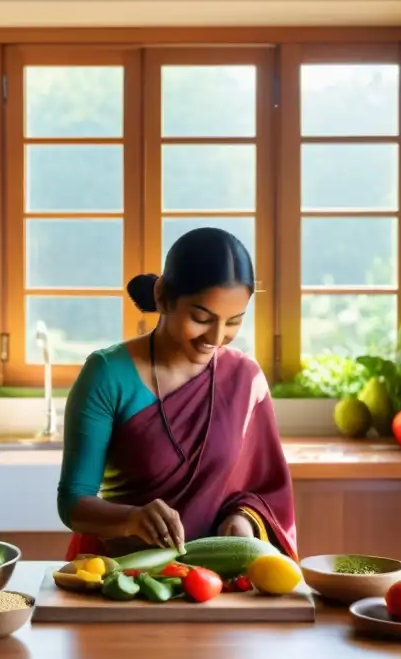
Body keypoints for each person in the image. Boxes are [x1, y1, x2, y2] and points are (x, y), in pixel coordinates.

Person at [56, 226, 298, 561]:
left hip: (212, 582)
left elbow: (266, 490)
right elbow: (72, 502)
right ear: (163, 296)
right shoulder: (107, 374)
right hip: (116, 575)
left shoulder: (246, 378)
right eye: (201, 318)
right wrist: (131, 519)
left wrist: (243, 519)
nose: (215, 336)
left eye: (233, 322)